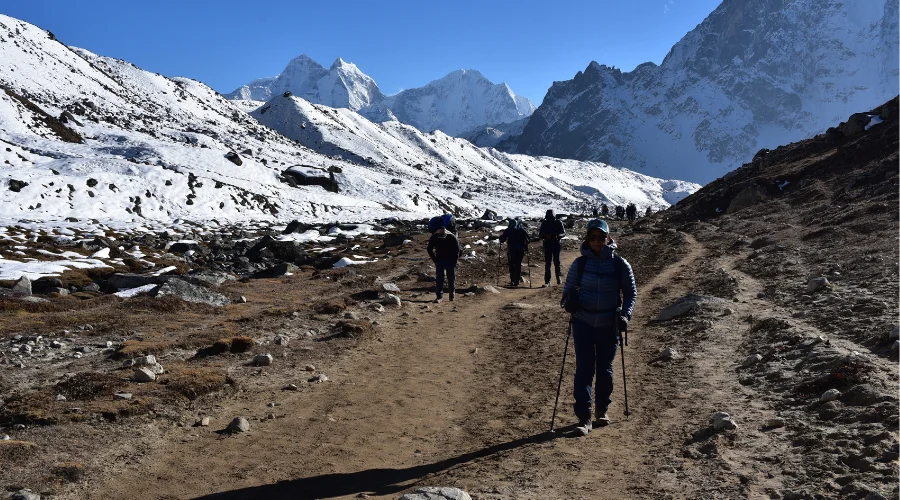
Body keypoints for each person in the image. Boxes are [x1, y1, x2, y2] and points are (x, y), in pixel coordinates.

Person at [560, 219, 637, 436]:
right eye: (592, 237)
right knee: (585, 368)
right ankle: (584, 417)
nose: (596, 241)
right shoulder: (580, 264)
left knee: (605, 368)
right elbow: (566, 292)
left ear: (608, 238)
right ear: (587, 239)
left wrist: (626, 315)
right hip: (583, 323)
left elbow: (631, 293)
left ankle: (602, 410)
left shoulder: (620, 264)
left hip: (608, 324)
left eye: (601, 237)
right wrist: (570, 301)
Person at [426, 226, 460, 303]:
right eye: (440, 237)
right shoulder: (434, 237)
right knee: (439, 278)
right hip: (440, 259)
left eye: (443, 236)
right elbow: (429, 249)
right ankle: (439, 296)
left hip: (450, 259)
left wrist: (454, 261)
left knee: (451, 277)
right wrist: (435, 260)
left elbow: (457, 250)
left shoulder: (451, 237)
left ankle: (451, 293)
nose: (442, 238)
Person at [538, 209, 565, 286]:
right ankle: (547, 281)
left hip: (556, 243)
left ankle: (558, 277)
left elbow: (563, 233)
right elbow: (540, 235)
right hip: (548, 244)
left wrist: (557, 236)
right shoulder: (545, 223)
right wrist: (546, 236)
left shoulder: (558, 222)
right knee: (548, 263)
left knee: (556, 262)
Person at [499, 219, 529, 286]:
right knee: (514, 265)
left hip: (517, 250)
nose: (512, 227)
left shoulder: (512, 230)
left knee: (514, 265)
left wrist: (501, 239)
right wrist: (502, 239)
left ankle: (515, 280)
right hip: (514, 250)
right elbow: (528, 238)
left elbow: (503, 239)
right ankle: (514, 280)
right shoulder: (518, 230)